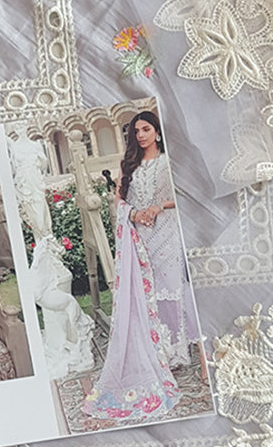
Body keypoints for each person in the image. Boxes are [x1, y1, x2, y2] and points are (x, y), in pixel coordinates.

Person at [83, 111, 204, 423]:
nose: (140, 135)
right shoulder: (129, 165)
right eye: (136, 131)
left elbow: (186, 195)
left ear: (157, 132)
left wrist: (158, 206)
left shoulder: (169, 161)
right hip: (141, 238)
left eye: (146, 129)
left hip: (168, 233)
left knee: (172, 290)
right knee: (147, 294)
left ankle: (177, 351)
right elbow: (120, 201)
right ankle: (157, 353)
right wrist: (134, 214)